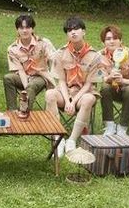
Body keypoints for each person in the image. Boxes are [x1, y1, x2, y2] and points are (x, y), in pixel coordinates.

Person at [45, 17, 105, 156]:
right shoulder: (60, 53)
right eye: (69, 30)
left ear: (83, 32)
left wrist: (74, 101)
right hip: (65, 91)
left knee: (89, 99)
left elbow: (89, 84)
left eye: (76, 29)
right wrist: (67, 101)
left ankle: (72, 140)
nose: (73, 32)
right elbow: (61, 81)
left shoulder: (94, 56)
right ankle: (57, 138)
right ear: (67, 34)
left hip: (84, 92)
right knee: (49, 94)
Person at [3, 14, 56, 116]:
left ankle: (24, 113)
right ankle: (12, 112)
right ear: (17, 30)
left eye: (27, 27)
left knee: (31, 86)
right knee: (8, 78)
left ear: (32, 29)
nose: (25, 31)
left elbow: (53, 59)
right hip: (23, 76)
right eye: (21, 28)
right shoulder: (12, 49)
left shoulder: (43, 43)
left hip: (40, 76)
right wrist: (26, 86)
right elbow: (20, 70)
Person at [98, 25, 129, 136]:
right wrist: (109, 78)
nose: (111, 41)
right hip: (113, 89)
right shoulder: (100, 56)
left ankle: (122, 127)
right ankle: (109, 125)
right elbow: (101, 78)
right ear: (103, 42)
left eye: (115, 38)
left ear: (121, 40)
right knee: (105, 87)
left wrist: (123, 80)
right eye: (108, 39)